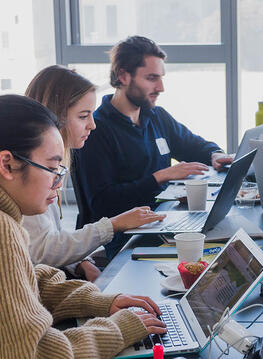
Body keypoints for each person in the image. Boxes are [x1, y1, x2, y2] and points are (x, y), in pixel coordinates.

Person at [0, 94, 166, 358]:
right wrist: (117, 330)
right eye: (52, 168)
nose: (58, 183)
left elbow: (22, 282)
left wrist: (98, 300)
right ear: (7, 164)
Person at [73, 35, 233, 257]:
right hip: (126, 238)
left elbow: (193, 145)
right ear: (123, 76)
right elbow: (102, 203)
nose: (161, 87)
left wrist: (215, 154)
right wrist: (160, 177)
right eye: (151, 78)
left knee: (226, 243)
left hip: (162, 222)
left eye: (161, 78)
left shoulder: (156, 116)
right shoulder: (95, 130)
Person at [23, 65, 166, 282]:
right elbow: (42, 250)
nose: (92, 125)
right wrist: (114, 224)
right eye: (83, 116)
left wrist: (80, 263)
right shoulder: (31, 173)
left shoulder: (53, 164)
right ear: (55, 118)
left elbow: (48, 239)